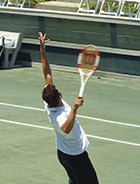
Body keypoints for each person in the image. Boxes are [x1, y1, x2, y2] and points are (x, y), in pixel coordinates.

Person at [39, 32, 98, 184]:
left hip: (63, 154)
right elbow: (66, 128)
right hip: (76, 157)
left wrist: (42, 49)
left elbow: (46, 71)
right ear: (59, 96)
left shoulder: (48, 102)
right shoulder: (59, 117)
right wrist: (74, 109)